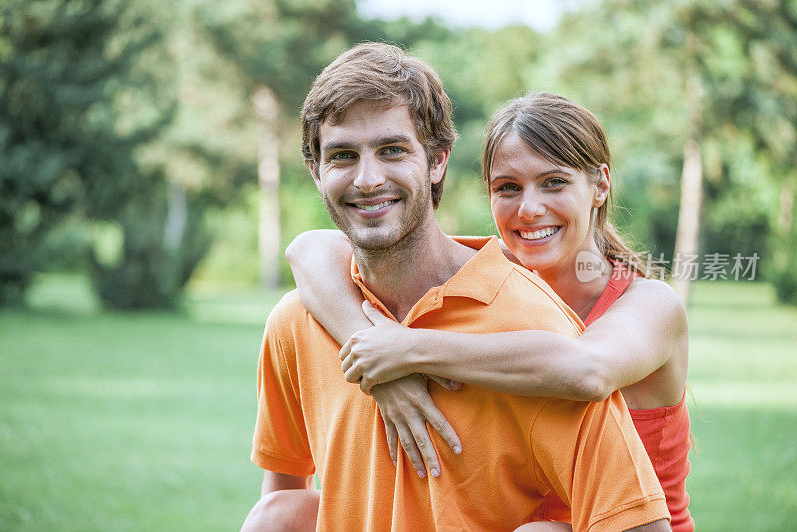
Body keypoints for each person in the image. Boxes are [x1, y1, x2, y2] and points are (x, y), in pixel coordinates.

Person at [243, 43, 671, 531]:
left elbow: (589, 372)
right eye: (342, 155)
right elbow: (283, 498)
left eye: (392, 150)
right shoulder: (300, 318)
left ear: (438, 161)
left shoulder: (542, 339)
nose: (366, 178)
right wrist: (381, 360)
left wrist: (406, 351)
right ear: (316, 171)